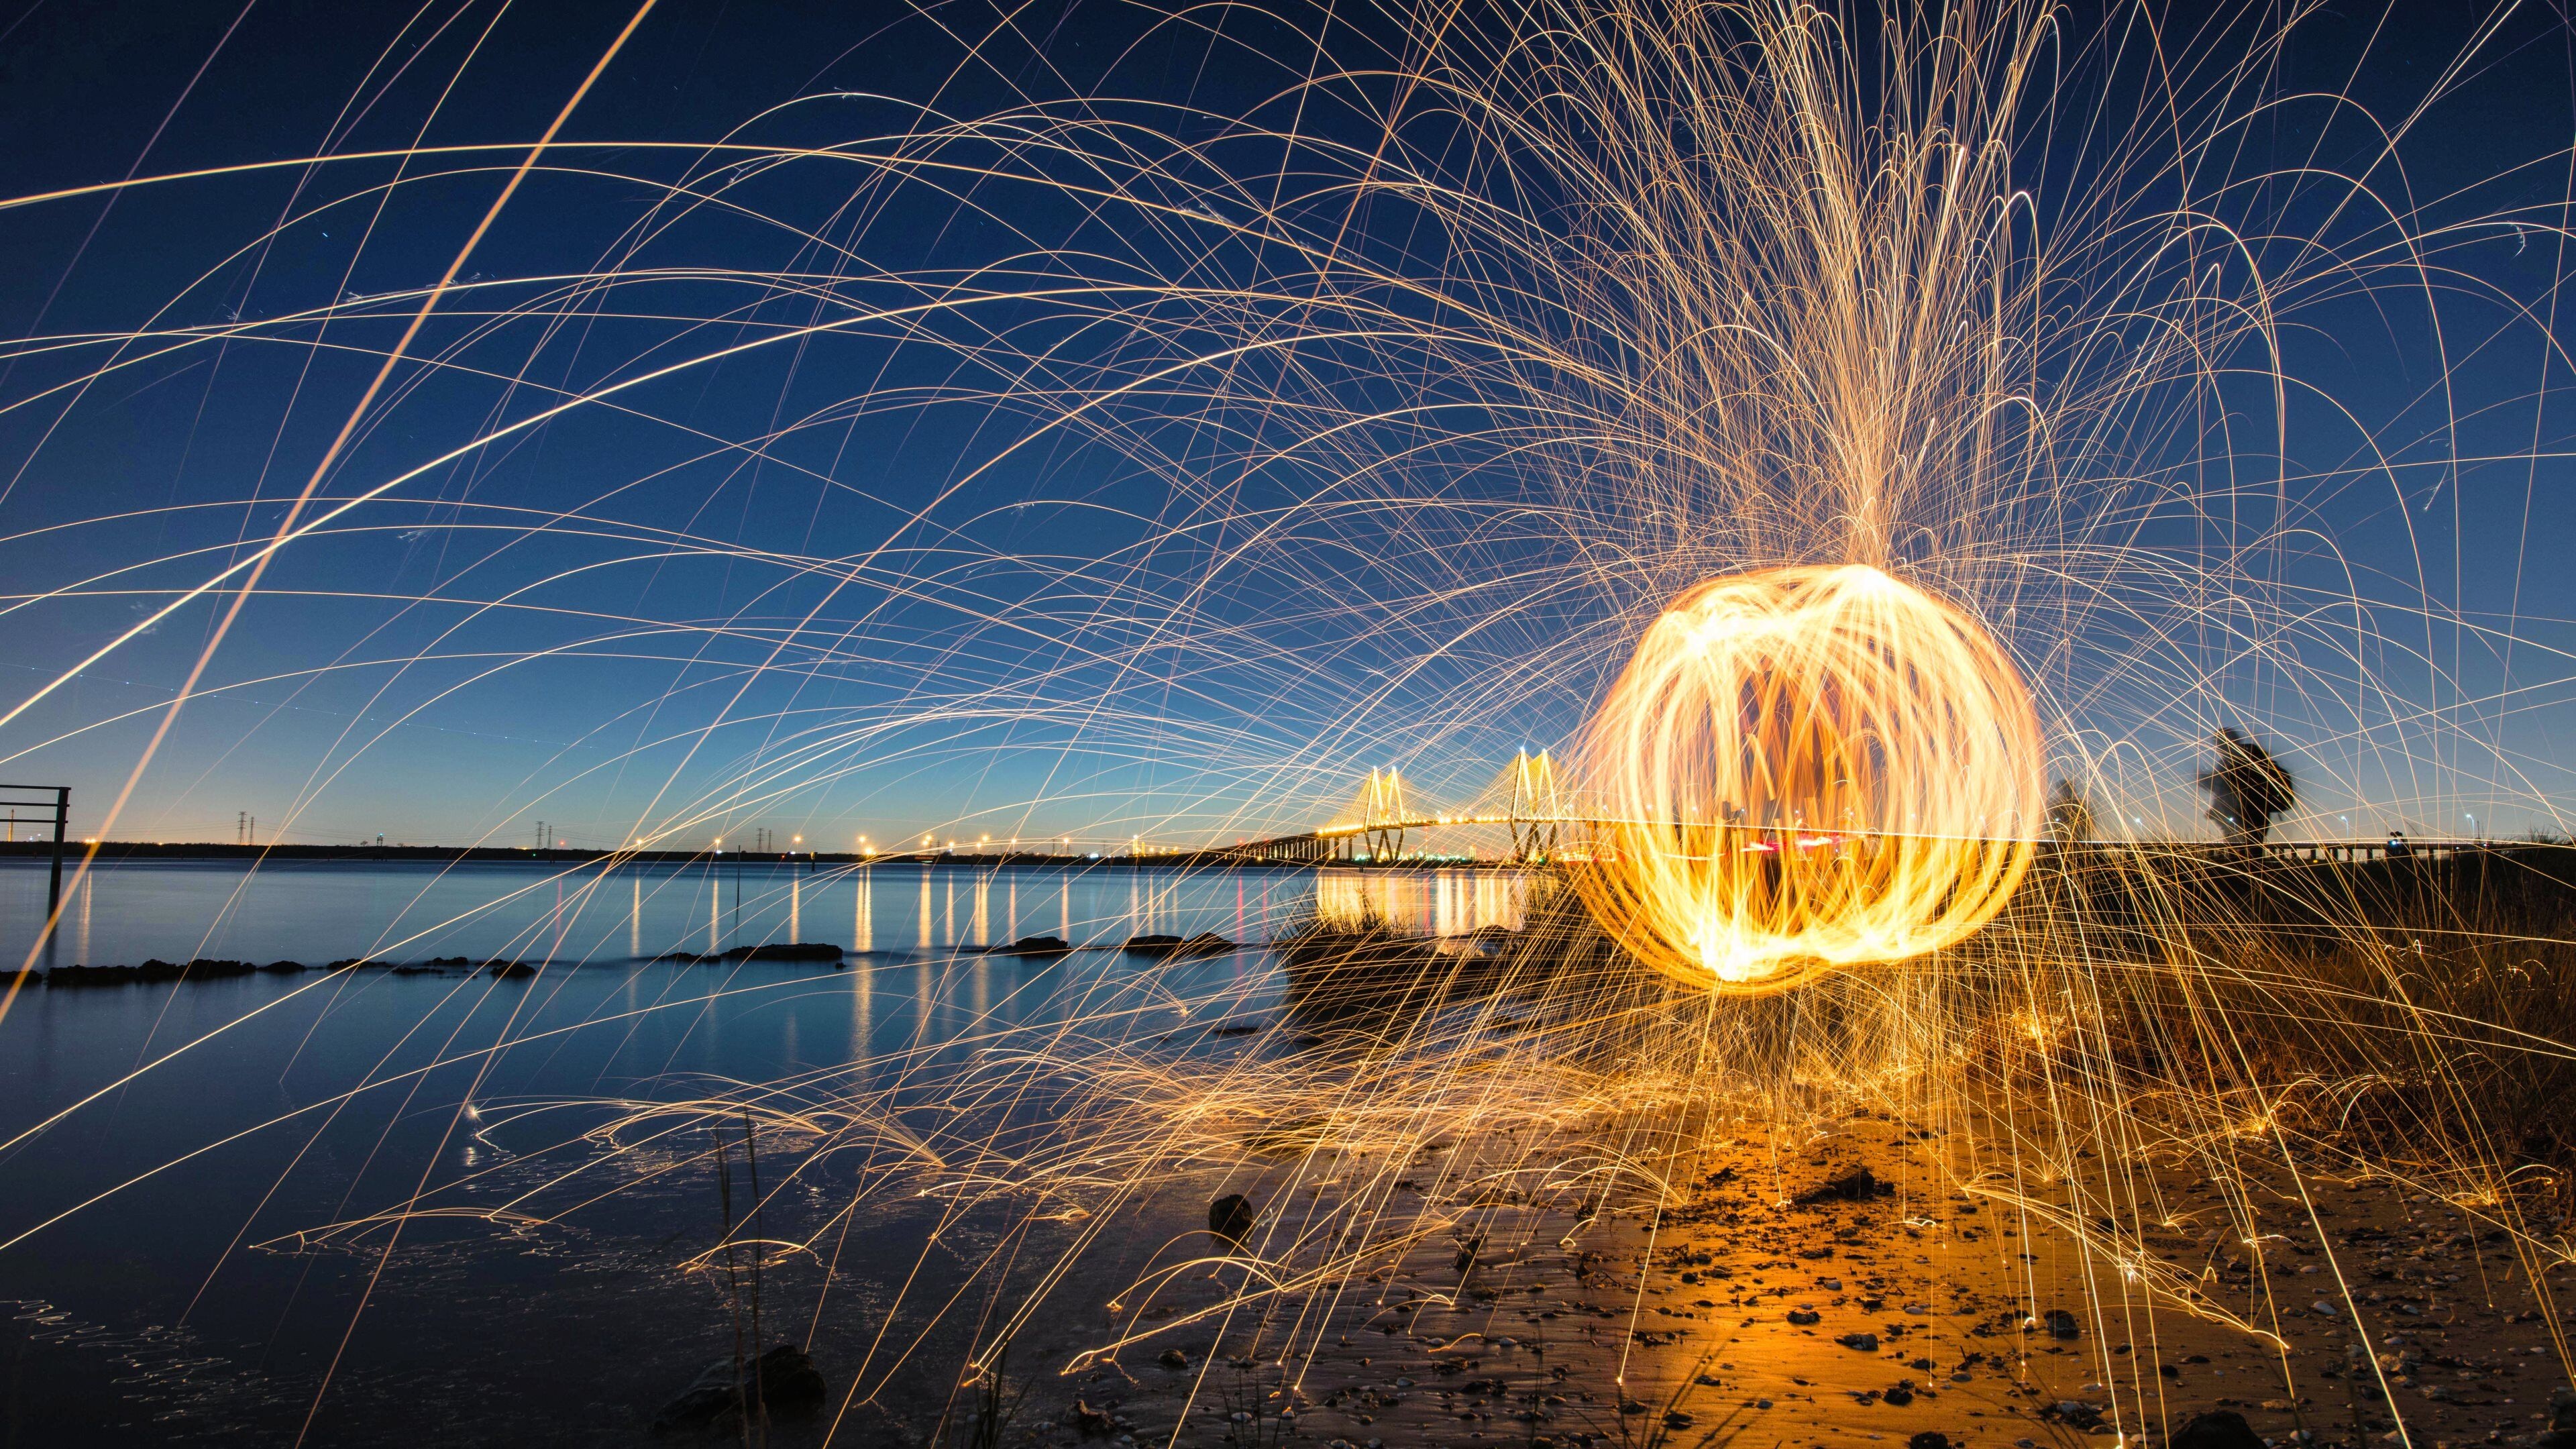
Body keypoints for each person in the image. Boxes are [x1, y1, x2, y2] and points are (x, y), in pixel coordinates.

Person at [2198, 727, 2294, 848]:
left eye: (2220, 744)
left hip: (2251, 817)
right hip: (2241, 816)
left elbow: (2232, 787)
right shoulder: (2230, 762)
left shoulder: (2249, 760)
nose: (2218, 749)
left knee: (2247, 852)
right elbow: (2223, 787)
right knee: (2244, 853)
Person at [2045, 779, 2095, 843]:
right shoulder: (2080, 806)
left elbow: (2089, 824)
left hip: (2073, 841)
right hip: (2069, 841)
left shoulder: (2078, 806)